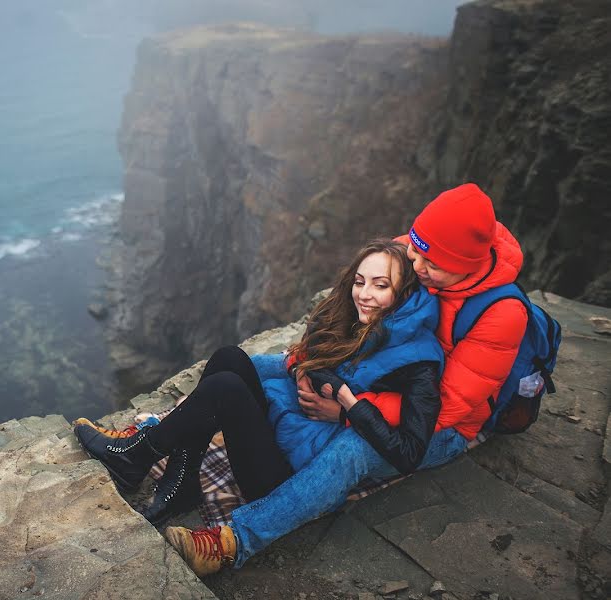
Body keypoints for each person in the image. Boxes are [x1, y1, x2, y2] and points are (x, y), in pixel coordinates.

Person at [161, 182, 529, 577]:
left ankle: (233, 542)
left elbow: (448, 407)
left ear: (466, 265)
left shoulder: (503, 314)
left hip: (441, 425)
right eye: (415, 253)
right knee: (257, 364)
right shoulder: (423, 249)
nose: (418, 269)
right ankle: (158, 436)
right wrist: (307, 363)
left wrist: (347, 411)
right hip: (375, 376)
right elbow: (363, 306)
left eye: (431, 265)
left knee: (355, 448)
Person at [75, 237, 450, 569]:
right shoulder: (354, 319)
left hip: (287, 474)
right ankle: (182, 480)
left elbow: (409, 453)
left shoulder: (418, 361)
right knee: (229, 358)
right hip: (289, 432)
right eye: (360, 281)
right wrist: (306, 367)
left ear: (403, 293)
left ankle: (136, 455)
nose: (364, 294)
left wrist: (348, 402)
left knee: (226, 389)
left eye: (380, 285)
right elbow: (316, 361)